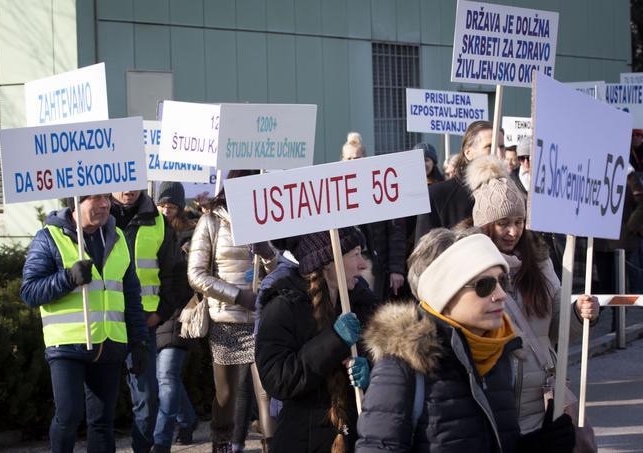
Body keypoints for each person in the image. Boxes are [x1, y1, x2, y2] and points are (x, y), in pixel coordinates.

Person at [356, 229, 576, 453]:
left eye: (502, 281)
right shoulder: (402, 367)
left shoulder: (497, 356)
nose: (501, 294)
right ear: (445, 293)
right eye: (485, 285)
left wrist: (542, 445)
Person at [465, 156, 600, 435]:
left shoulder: (540, 262)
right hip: (492, 408)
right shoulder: (468, 269)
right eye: (503, 223)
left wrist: (580, 313)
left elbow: (560, 326)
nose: (513, 231)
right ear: (485, 225)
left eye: (519, 221)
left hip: (542, 405)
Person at [20, 194, 148, 452]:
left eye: (106, 198)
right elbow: (30, 292)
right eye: (96, 199)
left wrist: (139, 339)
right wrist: (68, 278)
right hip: (67, 345)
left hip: (110, 342)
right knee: (68, 417)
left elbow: (131, 294)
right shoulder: (48, 237)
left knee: (102, 423)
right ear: (75, 202)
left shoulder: (118, 237)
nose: (105, 204)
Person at [256, 228, 379, 452]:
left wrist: (371, 369)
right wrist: (333, 340)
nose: (363, 264)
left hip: (357, 435)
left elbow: (388, 363)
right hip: (303, 439)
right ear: (327, 262)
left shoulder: (362, 303)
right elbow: (277, 379)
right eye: (355, 255)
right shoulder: (283, 306)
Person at [187, 170, 278, 453]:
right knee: (226, 396)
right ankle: (222, 440)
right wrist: (238, 295)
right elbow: (196, 275)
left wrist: (268, 255)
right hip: (227, 321)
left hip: (262, 320)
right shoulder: (211, 222)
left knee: (266, 393)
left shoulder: (269, 218)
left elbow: (282, 271)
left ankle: (271, 445)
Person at [110, 189, 182, 453]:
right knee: (100, 405)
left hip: (142, 324)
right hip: (102, 324)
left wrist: (161, 312)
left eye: (133, 183)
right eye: (122, 184)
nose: (128, 190)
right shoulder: (94, 218)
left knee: (147, 398)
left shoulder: (159, 222)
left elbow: (175, 274)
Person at [152, 182, 200, 453]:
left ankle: (161, 440)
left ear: (180, 208)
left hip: (180, 312)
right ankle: (187, 419)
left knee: (167, 375)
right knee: (164, 377)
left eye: (171, 206)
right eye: (162, 205)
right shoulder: (149, 231)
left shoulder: (191, 235)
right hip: (154, 311)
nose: (166, 210)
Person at [411, 121, 505, 250]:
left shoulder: (511, 193)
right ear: (468, 152)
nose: (499, 154)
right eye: (490, 146)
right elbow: (424, 257)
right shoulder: (438, 195)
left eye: (502, 147)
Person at [340, 132, 407, 300]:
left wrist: (396, 269)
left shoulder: (380, 188)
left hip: (372, 264)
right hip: (343, 265)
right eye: (349, 159)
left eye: (358, 158)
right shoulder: (337, 190)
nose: (353, 163)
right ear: (342, 161)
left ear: (366, 159)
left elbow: (396, 232)